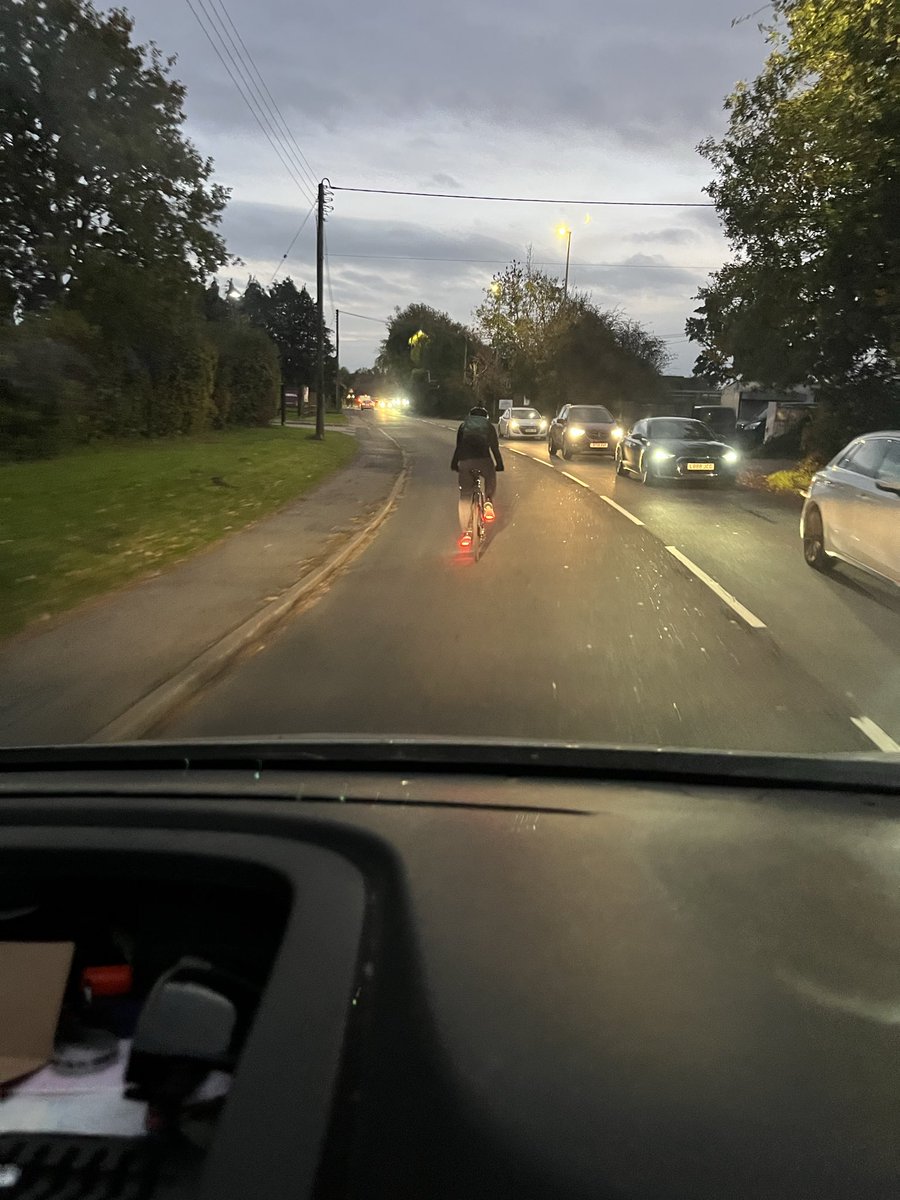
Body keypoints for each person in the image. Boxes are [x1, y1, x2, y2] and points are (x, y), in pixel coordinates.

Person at [451, 405, 504, 546]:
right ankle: (487, 502)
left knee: (465, 497)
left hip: (465, 462)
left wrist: (454, 464)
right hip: (483, 461)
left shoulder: (463, 426)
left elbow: (459, 447)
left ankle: (467, 533)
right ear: (485, 417)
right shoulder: (488, 427)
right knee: (490, 475)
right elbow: (494, 448)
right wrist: (499, 464)